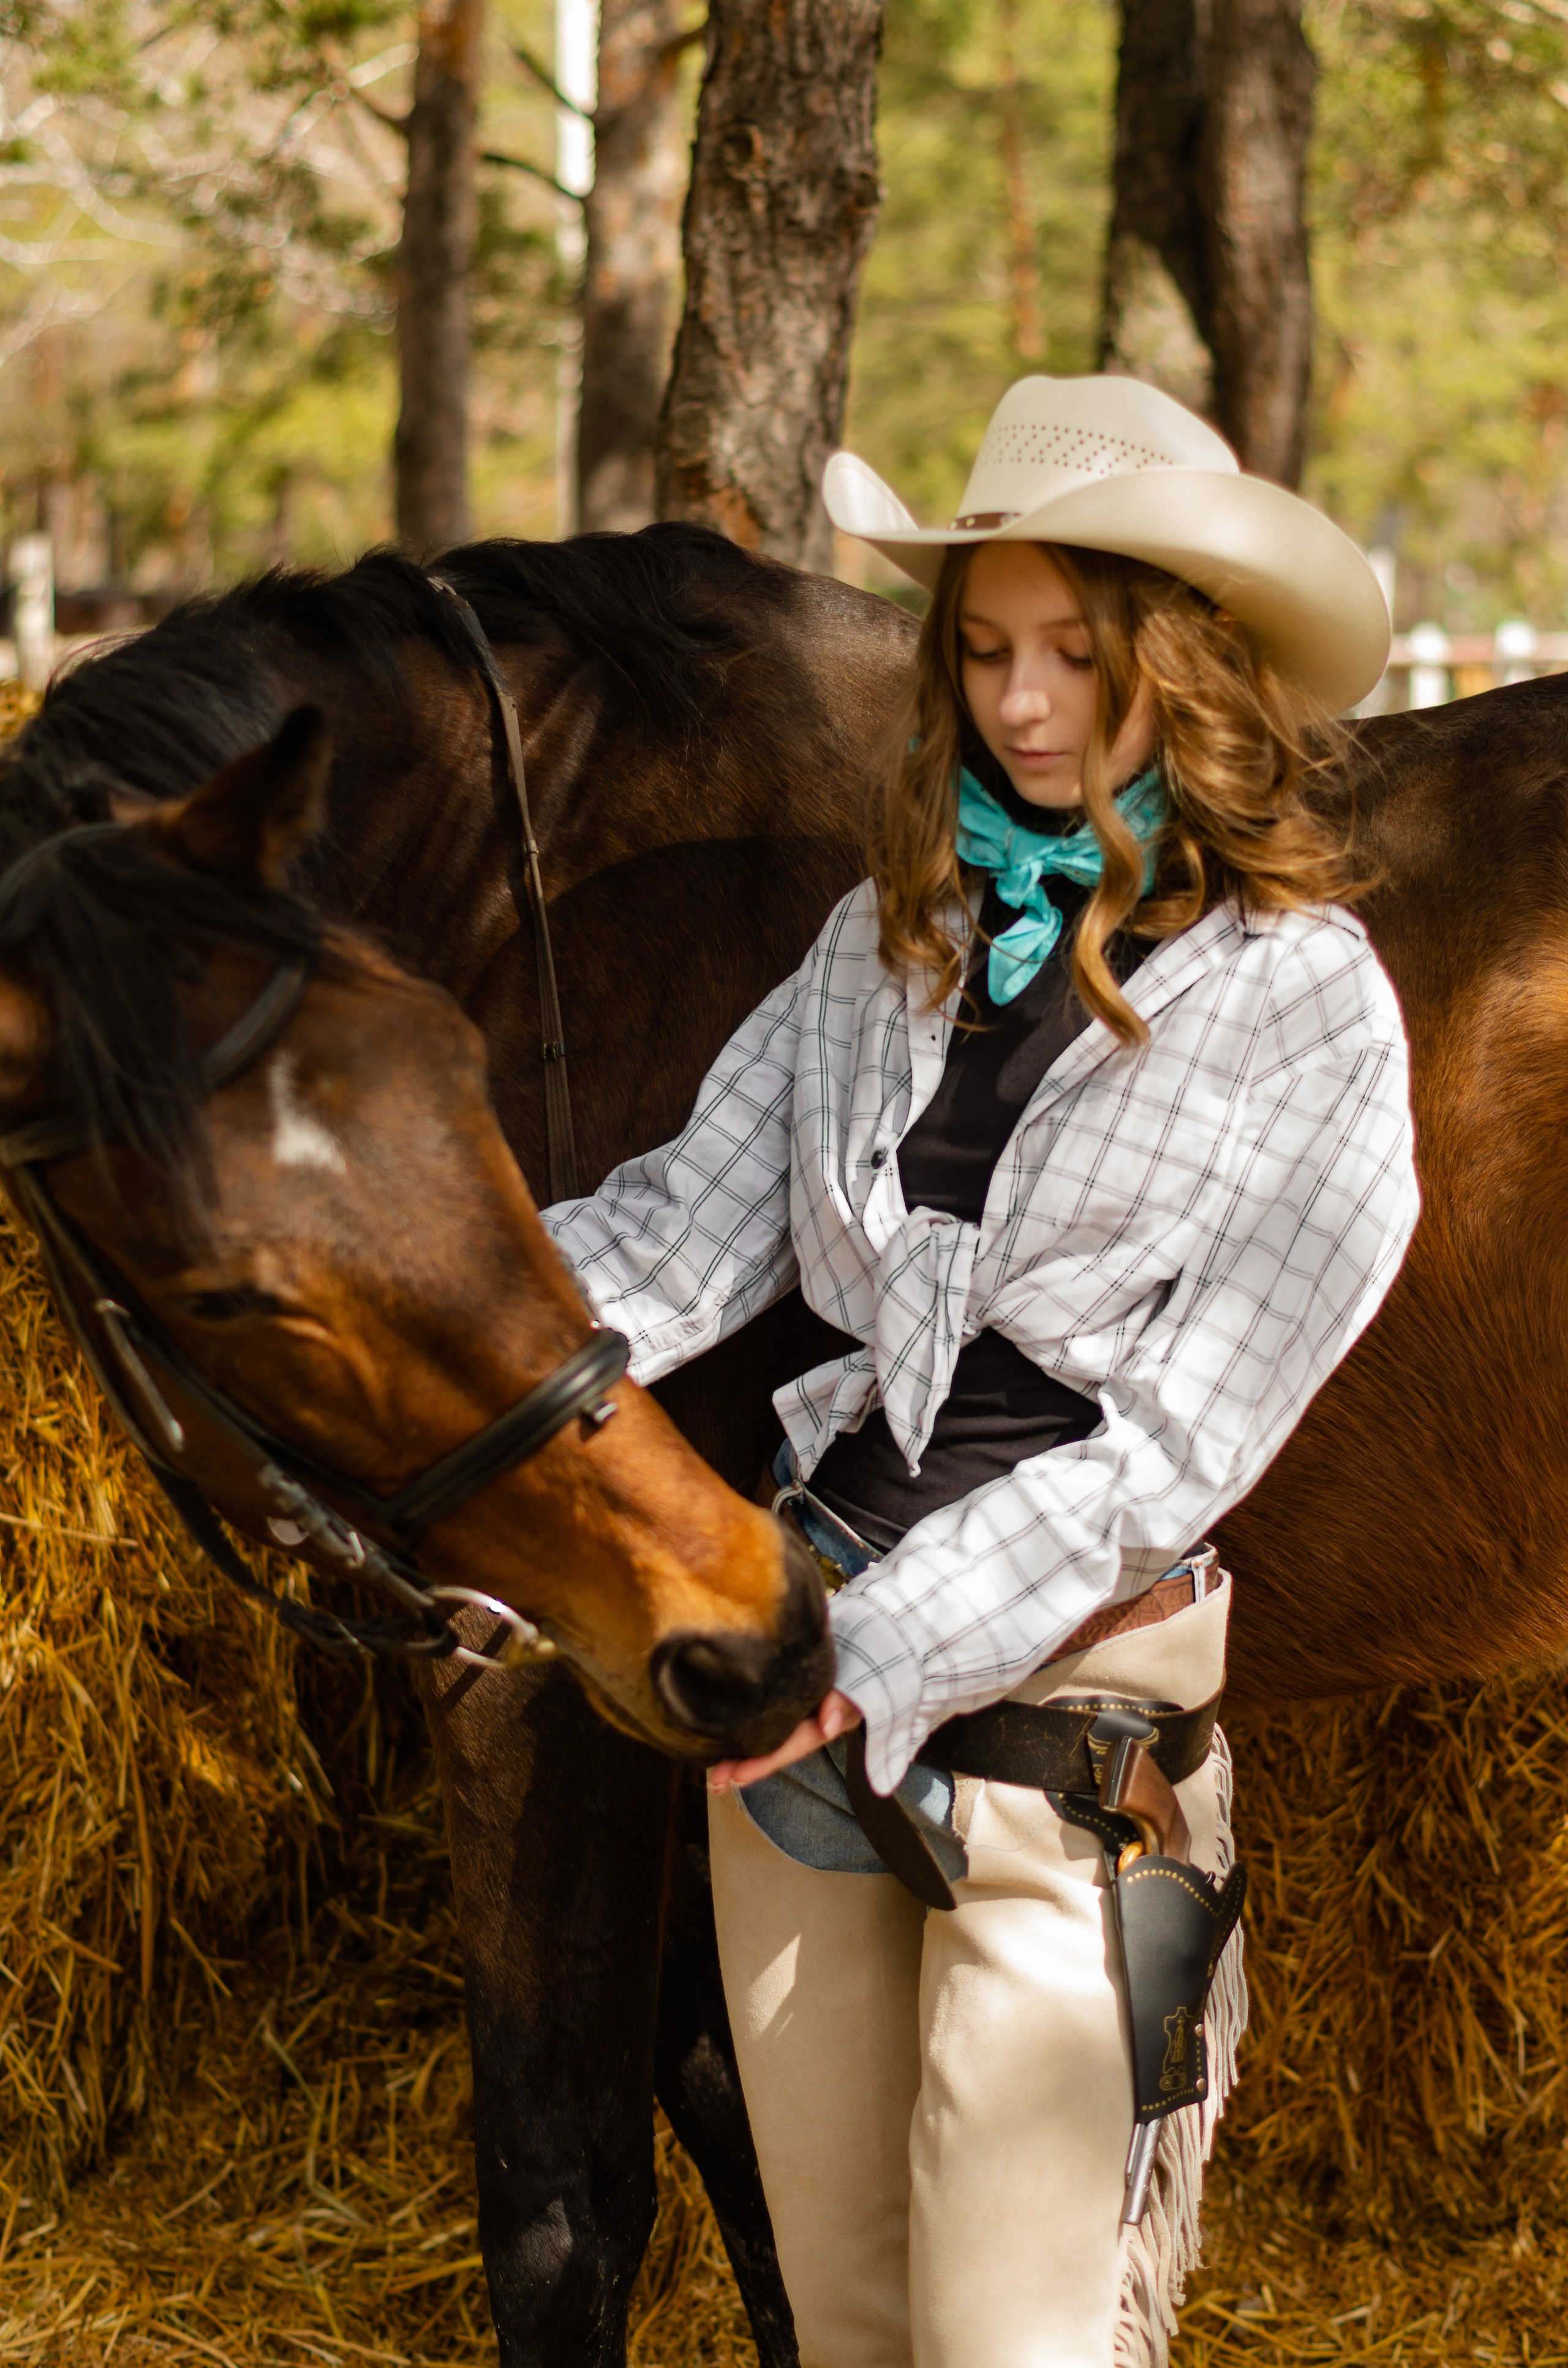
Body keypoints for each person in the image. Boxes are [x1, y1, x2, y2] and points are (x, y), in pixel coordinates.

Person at [542, 374, 1419, 2368]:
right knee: (840, 2320)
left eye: (1077, 655)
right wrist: (433, 1341)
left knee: (1004, 2343)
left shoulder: (1310, 1009)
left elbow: (1179, 1442)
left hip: (1059, 1716)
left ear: (1181, 663)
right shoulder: (884, 940)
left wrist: (881, 1647)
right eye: (989, 652)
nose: (1023, 705)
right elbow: (680, 1232)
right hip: (791, 1709)